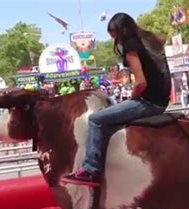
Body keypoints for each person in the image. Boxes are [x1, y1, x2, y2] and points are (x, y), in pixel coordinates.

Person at [62, 12, 171, 186]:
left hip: (149, 102)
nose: (114, 39)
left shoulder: (131, 46)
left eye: (114, 34)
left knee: (96, 119)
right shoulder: (148, 41)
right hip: (161, 99)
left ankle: (91, 170)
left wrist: (131, 99)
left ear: (122, 31)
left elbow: (141, 82)